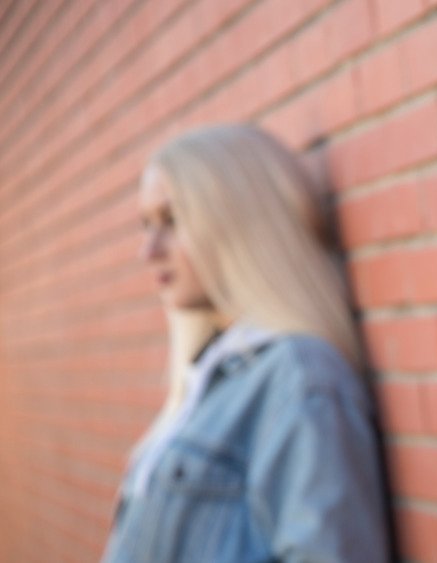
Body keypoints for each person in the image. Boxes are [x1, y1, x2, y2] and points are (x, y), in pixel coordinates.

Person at [103, 124, 392, 562]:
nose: (149, 250)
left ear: (238, 220)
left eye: (172, 220)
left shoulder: (300, 378)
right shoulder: (211, 377)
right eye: (146, 225)